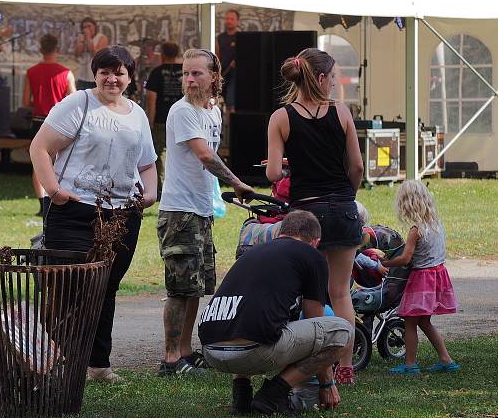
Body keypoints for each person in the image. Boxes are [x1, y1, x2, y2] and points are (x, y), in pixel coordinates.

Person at [30, 45, 157, 383]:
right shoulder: (79, 104)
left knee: (106, 287)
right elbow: (40, 147)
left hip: (121, 216)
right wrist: (54, 191)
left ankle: (98, 365)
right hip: (75, 210)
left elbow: (147, 163)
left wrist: (151, 191)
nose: (111, 78)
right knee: (69, 287)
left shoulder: (137, 114)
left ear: (131, 77)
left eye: (119, 72)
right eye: (105, 71)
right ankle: (56, 362)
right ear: (95, 74)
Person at [266, 48, 364, 385]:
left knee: (314, 294)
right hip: (344, 208)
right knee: (340, 292)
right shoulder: (342, 114)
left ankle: (321, 369)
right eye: (334, 77)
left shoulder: (281, 117)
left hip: (307, 212)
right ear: (321, 79)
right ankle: (346, 366)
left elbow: (273, 173)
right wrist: (347, 195)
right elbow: (357, 167)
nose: (335, 83)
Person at [157, 48, 254, 376]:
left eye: (196, 73)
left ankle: (186, 351)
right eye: (186, 73)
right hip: (178, 212)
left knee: (196, 286)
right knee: (179, 288)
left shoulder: (212, 111)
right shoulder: (182, 111)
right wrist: (238, 183)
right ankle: (171, 359)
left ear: (214, 76)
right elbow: (204, 156)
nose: (189, 79)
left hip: (199, 210)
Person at [199, 210, 353, 416]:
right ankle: (273, 394)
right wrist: (327, 383)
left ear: (280, 232)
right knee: (342, 331)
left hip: (211, 350)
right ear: (316, 241)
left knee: (248, 316)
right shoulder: (311, 256)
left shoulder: (252, 253)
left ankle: (242, 395)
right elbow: (316, 321)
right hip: (252, 352)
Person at [380, 180, 459, 374]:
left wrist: (386, 263)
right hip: (437, 275)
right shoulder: (435, 225)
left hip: (422, 279)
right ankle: (446, 360)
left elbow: (406, 258)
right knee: (424, 321)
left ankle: (410, 365)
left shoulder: (416, 230)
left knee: (410, 321)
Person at [22, 33, 76, 215]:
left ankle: (42, 203)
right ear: (57, 49)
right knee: (60, 162)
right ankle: (57, 199)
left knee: (38, 163)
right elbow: (73, 100)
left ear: (40, 49)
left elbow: (25, 101)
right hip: (60, 123)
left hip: (38, 121)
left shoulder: (31, 72)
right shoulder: (66, 73)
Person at [145, 41, 183, 194]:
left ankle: (161, 189)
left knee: (159, 153)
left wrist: (151, 120)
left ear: (162, 54)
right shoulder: (185, 72)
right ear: (177, 54)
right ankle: (179, 187)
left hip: (162, 119)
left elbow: (151, 98)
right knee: (182, 152)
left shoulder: (156, 72)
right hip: (182, 119)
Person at [215, 9, 240, 115]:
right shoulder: (220, 37)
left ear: (237, 21)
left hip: (234, 76)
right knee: (219, 104)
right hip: (222, 75)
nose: (229, 21)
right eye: (227, 18)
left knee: (231, 105)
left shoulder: (240, 37)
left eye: (232, 19)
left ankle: (231, 129)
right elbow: (217, 56)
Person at [74, 18, 109, 91]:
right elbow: (77, 54)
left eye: (89, 26)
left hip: (95, 77)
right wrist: (81, 41)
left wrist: (89, 39)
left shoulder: (101, 38)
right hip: (82, 77)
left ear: (95, 27)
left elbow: (97, 55)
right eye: (84, 27)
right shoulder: (81, 37)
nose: (87, 29)